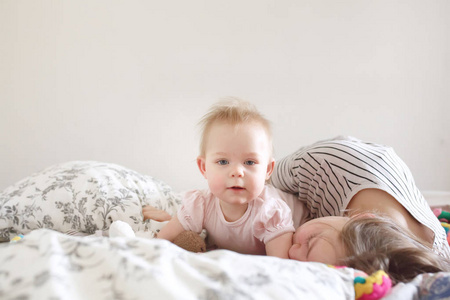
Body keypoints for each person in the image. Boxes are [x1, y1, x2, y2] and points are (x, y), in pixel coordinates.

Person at [270, 136, 450, 283]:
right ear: (361, 218)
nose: (291, 253)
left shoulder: (430, 265)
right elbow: (258, 178)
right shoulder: (320, 165)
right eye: (310, 242)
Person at [146, 98, 295, 258]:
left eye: (249, 162)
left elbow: (281, 266)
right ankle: (168, 216)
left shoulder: (271, 213)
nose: (237, 172)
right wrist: (169, 227)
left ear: (267, 169)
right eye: (223, 161)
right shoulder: (200, 205)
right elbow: (158, 243)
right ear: (204, 168)